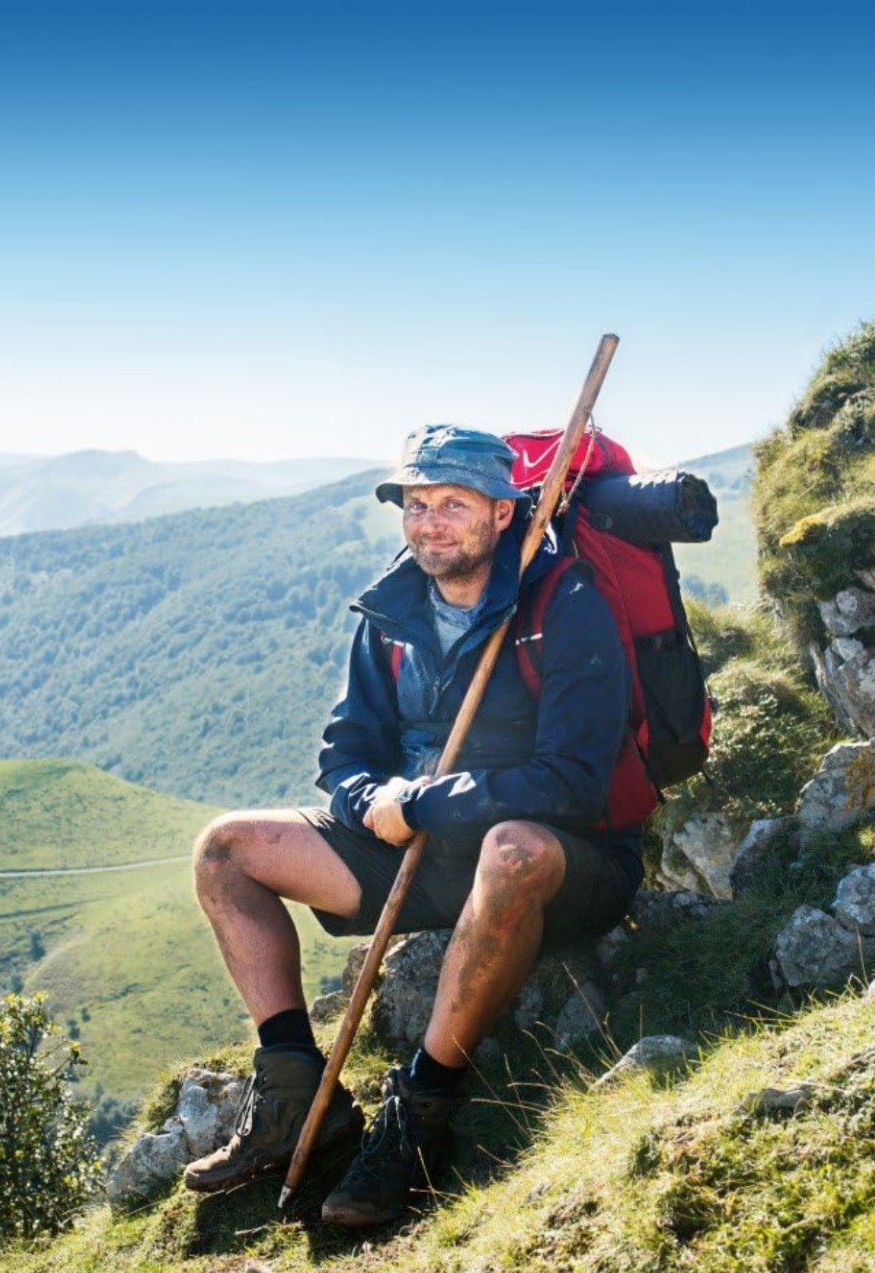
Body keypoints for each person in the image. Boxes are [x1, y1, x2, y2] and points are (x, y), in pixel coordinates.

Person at [185, 424, 642, 1227]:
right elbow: (344, 752)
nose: (429, 522)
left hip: (562, 862)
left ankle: (421, 1116)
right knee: (226, 849)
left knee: (511, 848)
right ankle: (299, 1095)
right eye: (416, 503)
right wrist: (368, 803)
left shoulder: (564, 604)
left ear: (504, 513)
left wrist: (426, 804)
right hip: (419, 855)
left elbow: (572, 783)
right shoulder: (392, 608)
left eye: (453, 504)